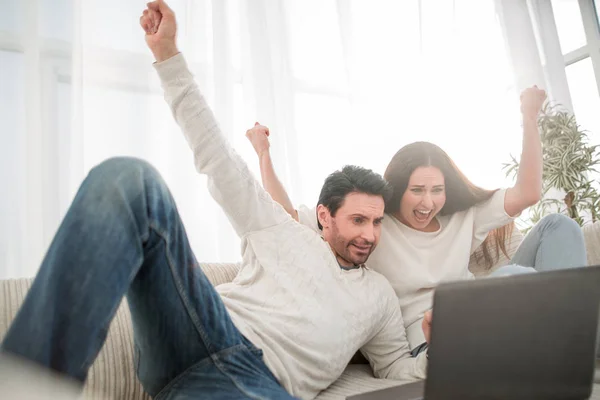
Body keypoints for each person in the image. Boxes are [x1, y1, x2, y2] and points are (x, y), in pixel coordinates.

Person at [0, 1, 429, 399]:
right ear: (325, 216)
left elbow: (394, 368)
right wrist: (168, 56)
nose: (370, 234)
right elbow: (220, 162)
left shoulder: (378, 295)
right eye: (358, 220)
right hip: (201, 333)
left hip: (256, 384)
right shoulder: (283, 232)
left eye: (376, 223)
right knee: (128, 180)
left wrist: (436, 351)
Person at [246, 81, 587, 356]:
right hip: (428, 334)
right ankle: (565, 338)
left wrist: (529, 117)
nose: (428, 202)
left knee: (558, 226)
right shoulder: (374, 225)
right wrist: (263, 154)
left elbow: (528, 193)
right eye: (417, 190)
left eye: (437, 190)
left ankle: (572, 338)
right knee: (515, 279)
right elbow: (286, 219)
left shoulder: (464, 217)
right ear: (398, 189)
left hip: (487, 310)